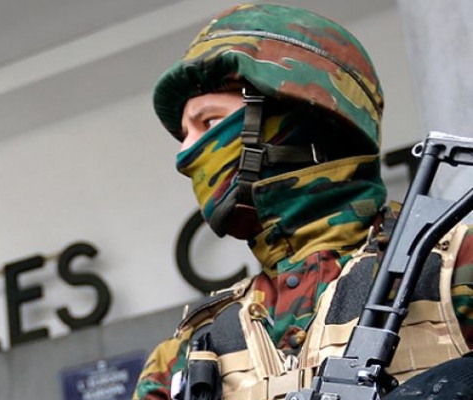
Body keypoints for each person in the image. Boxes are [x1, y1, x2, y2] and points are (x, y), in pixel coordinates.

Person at [133, 3, 473, 400]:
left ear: (296, 120)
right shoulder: (190, 350)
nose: (184, 155)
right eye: (183, 135)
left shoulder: (452, 267)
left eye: (208, 122)